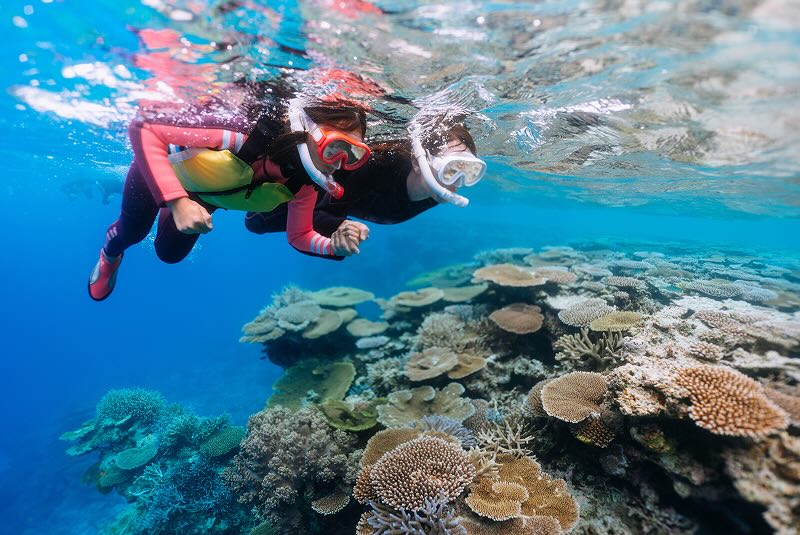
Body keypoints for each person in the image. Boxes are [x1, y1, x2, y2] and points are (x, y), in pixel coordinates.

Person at [88, 90, 373, 301]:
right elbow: (144, 128)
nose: (339, 163)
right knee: (132, 232)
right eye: (337, 147)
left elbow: (300, 236)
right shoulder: (241, 133)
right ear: (307, 127)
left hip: (202, 198)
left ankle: (175, 210)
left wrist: (332, 246)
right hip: (164, 173)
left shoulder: (303, 184)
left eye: (353, 155)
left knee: (169, 254)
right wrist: (177, 201)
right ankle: (109, 256)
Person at [243, 122, 485, 255]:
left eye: (470, 171)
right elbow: (318, 206)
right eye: (451, 169)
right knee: (256, 222)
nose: (456, 182)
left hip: (339, 209)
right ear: (418, 161)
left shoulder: (434, 193)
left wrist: (338, 236)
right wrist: (338, 225)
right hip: (309, 195)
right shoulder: (377, 167)